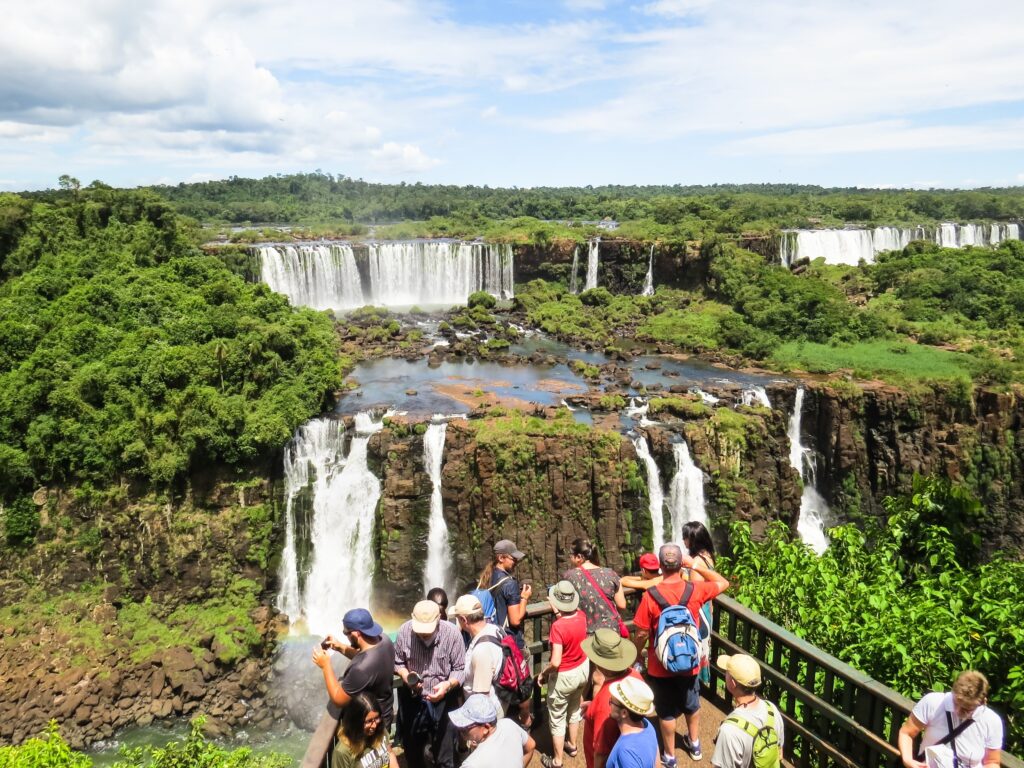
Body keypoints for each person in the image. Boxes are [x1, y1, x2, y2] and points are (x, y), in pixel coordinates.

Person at [632, 543, 729, 766]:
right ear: (680, 564)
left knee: (665, 711)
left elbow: (642, 633)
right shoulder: (694, 589)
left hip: (660, 664)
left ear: (661, 566)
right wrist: (695, 564)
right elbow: (723, 582)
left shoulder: (651, 595)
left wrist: (637, 654)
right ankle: (695, 744)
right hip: (690, 662)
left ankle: (670, 755)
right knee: (691, 703)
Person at [394, 600, 467, 768]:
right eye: (419, 631)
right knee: (413, 751)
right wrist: (407, 676)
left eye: (427, 631)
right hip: (414, 700)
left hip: (444, 700)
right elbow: (398, 663)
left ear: (439, 620)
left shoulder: (452, 633)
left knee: (445, 753)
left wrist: (447, 685)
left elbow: (460, 668)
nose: (423, 635)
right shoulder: (404, 632)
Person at [898, 671, 1003, 768]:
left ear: (983, 702)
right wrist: (907, 760)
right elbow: (906, 733)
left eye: (967, 709)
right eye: (956, 703)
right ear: (953, 691)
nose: (958, 711)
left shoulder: (992, 721)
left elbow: (992, 761)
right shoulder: (933, 702)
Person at [312, 608, 396, 728]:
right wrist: (340, 647)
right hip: (385, 715)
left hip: (370, 727)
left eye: (346, 633)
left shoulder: (361, 670)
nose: (345, 636)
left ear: (356, 634)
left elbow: (338, 699)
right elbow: (364, 656)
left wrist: (325, 665)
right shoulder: (384, 640)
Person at [536, 581, 590, 768]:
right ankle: (573, 746)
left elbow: (556, 662)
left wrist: (543, 674)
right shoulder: (581, 616)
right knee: (574, 708)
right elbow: (567, 617)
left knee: (557, 718)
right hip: (583, 669)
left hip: (565, 676)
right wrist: (556, 606)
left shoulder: (557, 627)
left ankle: (557, 761)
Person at [581, 628, 643, 768]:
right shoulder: (634, 675)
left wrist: (599, 707)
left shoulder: (606, 702)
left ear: (601, 664)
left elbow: (601, 753)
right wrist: (593, 706)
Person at [711, 654, 784, 768]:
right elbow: (779, 753)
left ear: (733, 683)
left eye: (727, 672)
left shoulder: (729, 730)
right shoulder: (772, 710)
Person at [450, 594, 505, 714]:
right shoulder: (496, 629)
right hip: (500, 702)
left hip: (487, 713)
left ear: (464, 620)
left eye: (458, 619)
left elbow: (481, 696)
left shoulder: (482, 651)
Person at [449, 694, 537, 768]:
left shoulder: (471, 764)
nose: (460, 728)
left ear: (486, 727)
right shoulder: (508, 723)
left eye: (465, 726)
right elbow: (531, 745)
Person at [563, 537, 628, 636]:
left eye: (571, 555)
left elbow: (565, 606)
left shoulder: (570, 576)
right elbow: (622, 605)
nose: (570, 559)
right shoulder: (610, 573)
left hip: (587, 634)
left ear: (579, 557)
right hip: (612, 632)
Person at [477, 539, 533, 650]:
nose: (516, 562)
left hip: (491, 637)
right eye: (513, 559)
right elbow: (515, 620)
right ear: (501, 558)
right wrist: (524, 598)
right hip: (508, 642)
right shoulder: (510, 584)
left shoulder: (487, 577)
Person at [681, 521, 717, 686]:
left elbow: (697, 591)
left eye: (685, 537)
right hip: (708, 609)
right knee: (703, 647)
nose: (683, 541)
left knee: (697, 647)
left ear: (693, 540)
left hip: (699, 612)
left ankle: (694, 685)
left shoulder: (697, 561)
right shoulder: (708, 555)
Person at [331, 692, 399, 768]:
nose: (374, 725)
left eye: (376, 718)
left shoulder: (379, 730)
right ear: (355, 722)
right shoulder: (342, 752)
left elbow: (389, 753)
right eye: (369, 721)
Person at [605, 677, 658, 768]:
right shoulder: (648, 726)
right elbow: (657, 764)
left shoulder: (626, 752)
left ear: (624, 713)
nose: (609, 704)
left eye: (611, 702)